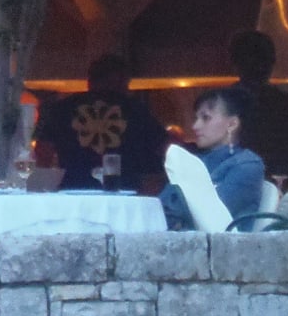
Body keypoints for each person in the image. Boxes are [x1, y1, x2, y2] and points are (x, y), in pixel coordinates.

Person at [36, 55, 168, 192]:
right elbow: (164, 148)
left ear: (90, 80)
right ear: (121, 80)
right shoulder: (136, 110)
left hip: (74, 190)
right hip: (125, 192)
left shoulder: (63, 108)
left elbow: (43, 152)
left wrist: (43, 186)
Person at [159, 85, 266, 229]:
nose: (195, 126)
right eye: (196, 118)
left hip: (219, 242)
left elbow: (213, 217)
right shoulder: (193, 162)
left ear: (232, 124)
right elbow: (161, 207)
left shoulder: (247, 166)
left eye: (206, 118)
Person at [227, 30, 288, 185]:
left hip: (235, 187)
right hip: (284, 190)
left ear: (234, 62)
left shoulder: (221, 104)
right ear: (272, 62)